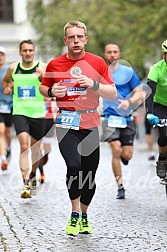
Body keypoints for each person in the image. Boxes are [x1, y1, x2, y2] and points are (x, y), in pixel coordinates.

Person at [39, 20, 117, 236]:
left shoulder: (97, 62)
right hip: (66, 123)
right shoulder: (55, 64)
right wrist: (54, 92)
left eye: (79, 37)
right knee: (74, 165)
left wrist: (92, 84)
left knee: (89, 174)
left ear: (86, 39)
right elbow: (43, 88)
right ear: (65, 40)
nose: (75, 41)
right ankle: (74, 213)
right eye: (71, 37)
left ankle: (84, 214)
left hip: (90, 123)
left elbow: (112, 93)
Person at [2, 39, 46, 198]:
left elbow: (50, 88)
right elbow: (6, 81)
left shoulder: (42, 67)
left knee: (36, 150)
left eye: (30, 50)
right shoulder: (13, 68)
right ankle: (25, 182)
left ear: (34, 52)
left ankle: (33, 174)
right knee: (23, 145)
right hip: (20, 112)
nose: (27, 53)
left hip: (38, 113)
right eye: (24, 50)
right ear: (20, 52)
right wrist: (7, 88)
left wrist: (42, 79)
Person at [101, 43, 143, 199]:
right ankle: (120, 187)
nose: (112, 54)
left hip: (126, 118)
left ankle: (125, 158)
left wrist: (129, 102)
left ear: (119, 54)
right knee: (115, 149)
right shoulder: (101, 73)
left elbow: (139, 92)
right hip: (109, 118)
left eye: (115, 52)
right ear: (105, 55)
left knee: (127, 154)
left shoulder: (128, 72)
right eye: (109, 52)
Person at [146, 39, 167, 180]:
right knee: (164, 134)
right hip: (160, 105)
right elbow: (149, 92)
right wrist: (149, 113)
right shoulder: (156, 69)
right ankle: (162, 158)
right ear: (164, 55)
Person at [0, 46, 13, 171]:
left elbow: (16, 83)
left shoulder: (9, 70)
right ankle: (3, 158)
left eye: (1, 54)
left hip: (9, 105)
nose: (0, 57)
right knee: (0, 131)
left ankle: (8, 148)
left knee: (8, 132)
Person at [38, 97, 56, 183]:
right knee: (37, 148)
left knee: (47, 149)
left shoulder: (50, 85)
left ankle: (45, 156)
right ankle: (42, 173)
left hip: (49, 120)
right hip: (37, 119)